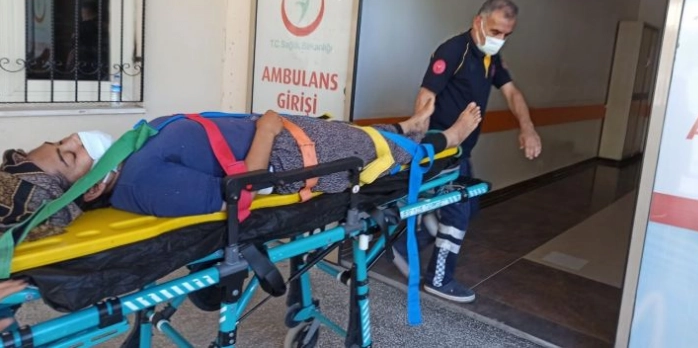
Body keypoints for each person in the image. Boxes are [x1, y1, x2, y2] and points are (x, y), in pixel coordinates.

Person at [391, 0, 543, 304]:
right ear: (478, 22)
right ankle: (439, 279)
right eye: (496, 31)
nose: (500, 39)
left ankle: (402, 244)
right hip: (442, 148)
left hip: (462, 151)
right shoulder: (453, 51)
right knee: (457, 213)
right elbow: (426, 96)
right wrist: (421, 147)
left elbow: (512, 93)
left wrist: (527, 127)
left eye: (507, 34)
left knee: (469, 207)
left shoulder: (491, 59)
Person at [83, 102, 482, 218]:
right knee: (376, 151)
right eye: (70, 155)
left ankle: (407, 125)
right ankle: (448, 138)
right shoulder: (141, 182)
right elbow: (241, 194)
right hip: (286, 156)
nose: (75, 140)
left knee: (351, 132)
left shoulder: (132, 157)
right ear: (92, 188)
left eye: (63, 141)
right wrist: (267, 130)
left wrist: (269, 127)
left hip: (282, 136)